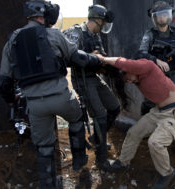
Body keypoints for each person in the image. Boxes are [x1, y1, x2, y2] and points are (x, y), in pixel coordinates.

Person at [0, 1, 102, 188]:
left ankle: (48, 183)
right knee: (77, 120)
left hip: (35, 105)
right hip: (62, 97)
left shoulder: (12, 40)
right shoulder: (53, 34)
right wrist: (97, 60)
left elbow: (4, 82)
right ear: (41, 16)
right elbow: (78, 58)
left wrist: (11, 102)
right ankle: (79, 159)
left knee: (44, 146)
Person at [96, 52, 175, 189]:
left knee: (155, 143)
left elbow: (124, 63)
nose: (130, 82)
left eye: (128, 78)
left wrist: (102, 58)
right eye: (127, 81)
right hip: (158, 112)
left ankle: (167, 174)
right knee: (133, 132)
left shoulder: (147, 66)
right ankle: (123, 162)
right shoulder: (135, 77)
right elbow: (120, 70)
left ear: (132, 69)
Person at [63, 4, 120, 169]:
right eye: (103, 23)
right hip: (82, 79)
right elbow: (68, 57)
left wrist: (111, 66)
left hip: (94, 76)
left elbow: (100, 57)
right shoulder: (76, 33)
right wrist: (91, 56)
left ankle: (96, 138)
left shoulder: (96, 35)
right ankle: (101, 161)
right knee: (100, 117)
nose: (104, 27)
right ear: (98, 20)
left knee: (114, 108)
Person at [138, 0, 175, 150]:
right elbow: (141, 54)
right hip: (153, 75)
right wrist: (156, 61)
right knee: (150, 103)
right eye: (159, 16)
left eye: (165, 15)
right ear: (155, 18)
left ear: (169, 16)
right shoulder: (149, 35)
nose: (162, 18)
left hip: (171, 75)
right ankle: (144, 131)